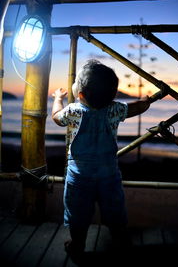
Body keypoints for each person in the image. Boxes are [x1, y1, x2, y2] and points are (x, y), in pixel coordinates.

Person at [52, 60, 150, 263]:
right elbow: (136, 108)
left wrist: (58, 98)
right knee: (114, 210)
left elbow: (55, 117)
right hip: (109, 174)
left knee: (78, 213)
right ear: (113, 95)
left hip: (79, 175)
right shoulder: (115, 109)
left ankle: (77, 244)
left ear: (80, 95)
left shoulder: (73, 111)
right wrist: (146, 102)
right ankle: (120, 241)